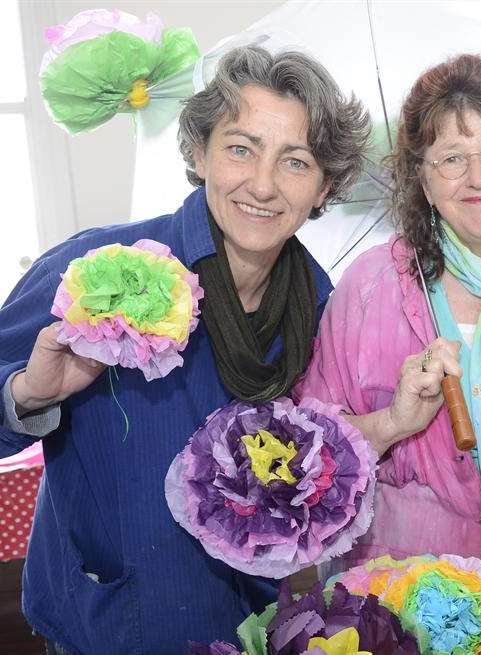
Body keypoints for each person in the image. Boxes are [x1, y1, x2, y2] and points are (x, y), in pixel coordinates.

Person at [0, 46, 370, 652]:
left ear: (324, 186)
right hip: (105, 625)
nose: (263, 185)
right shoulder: (100, 268)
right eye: (241, 148)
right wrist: (28, 394)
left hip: (245, 627)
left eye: (295, 162)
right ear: (200, 153)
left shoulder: (322, 305)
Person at [295, 54, 481, 579]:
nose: (478, 177)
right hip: (413, 594)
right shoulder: (372, 285)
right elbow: (310, 453)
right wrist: (394, 422)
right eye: (452, 158)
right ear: (423, 180)